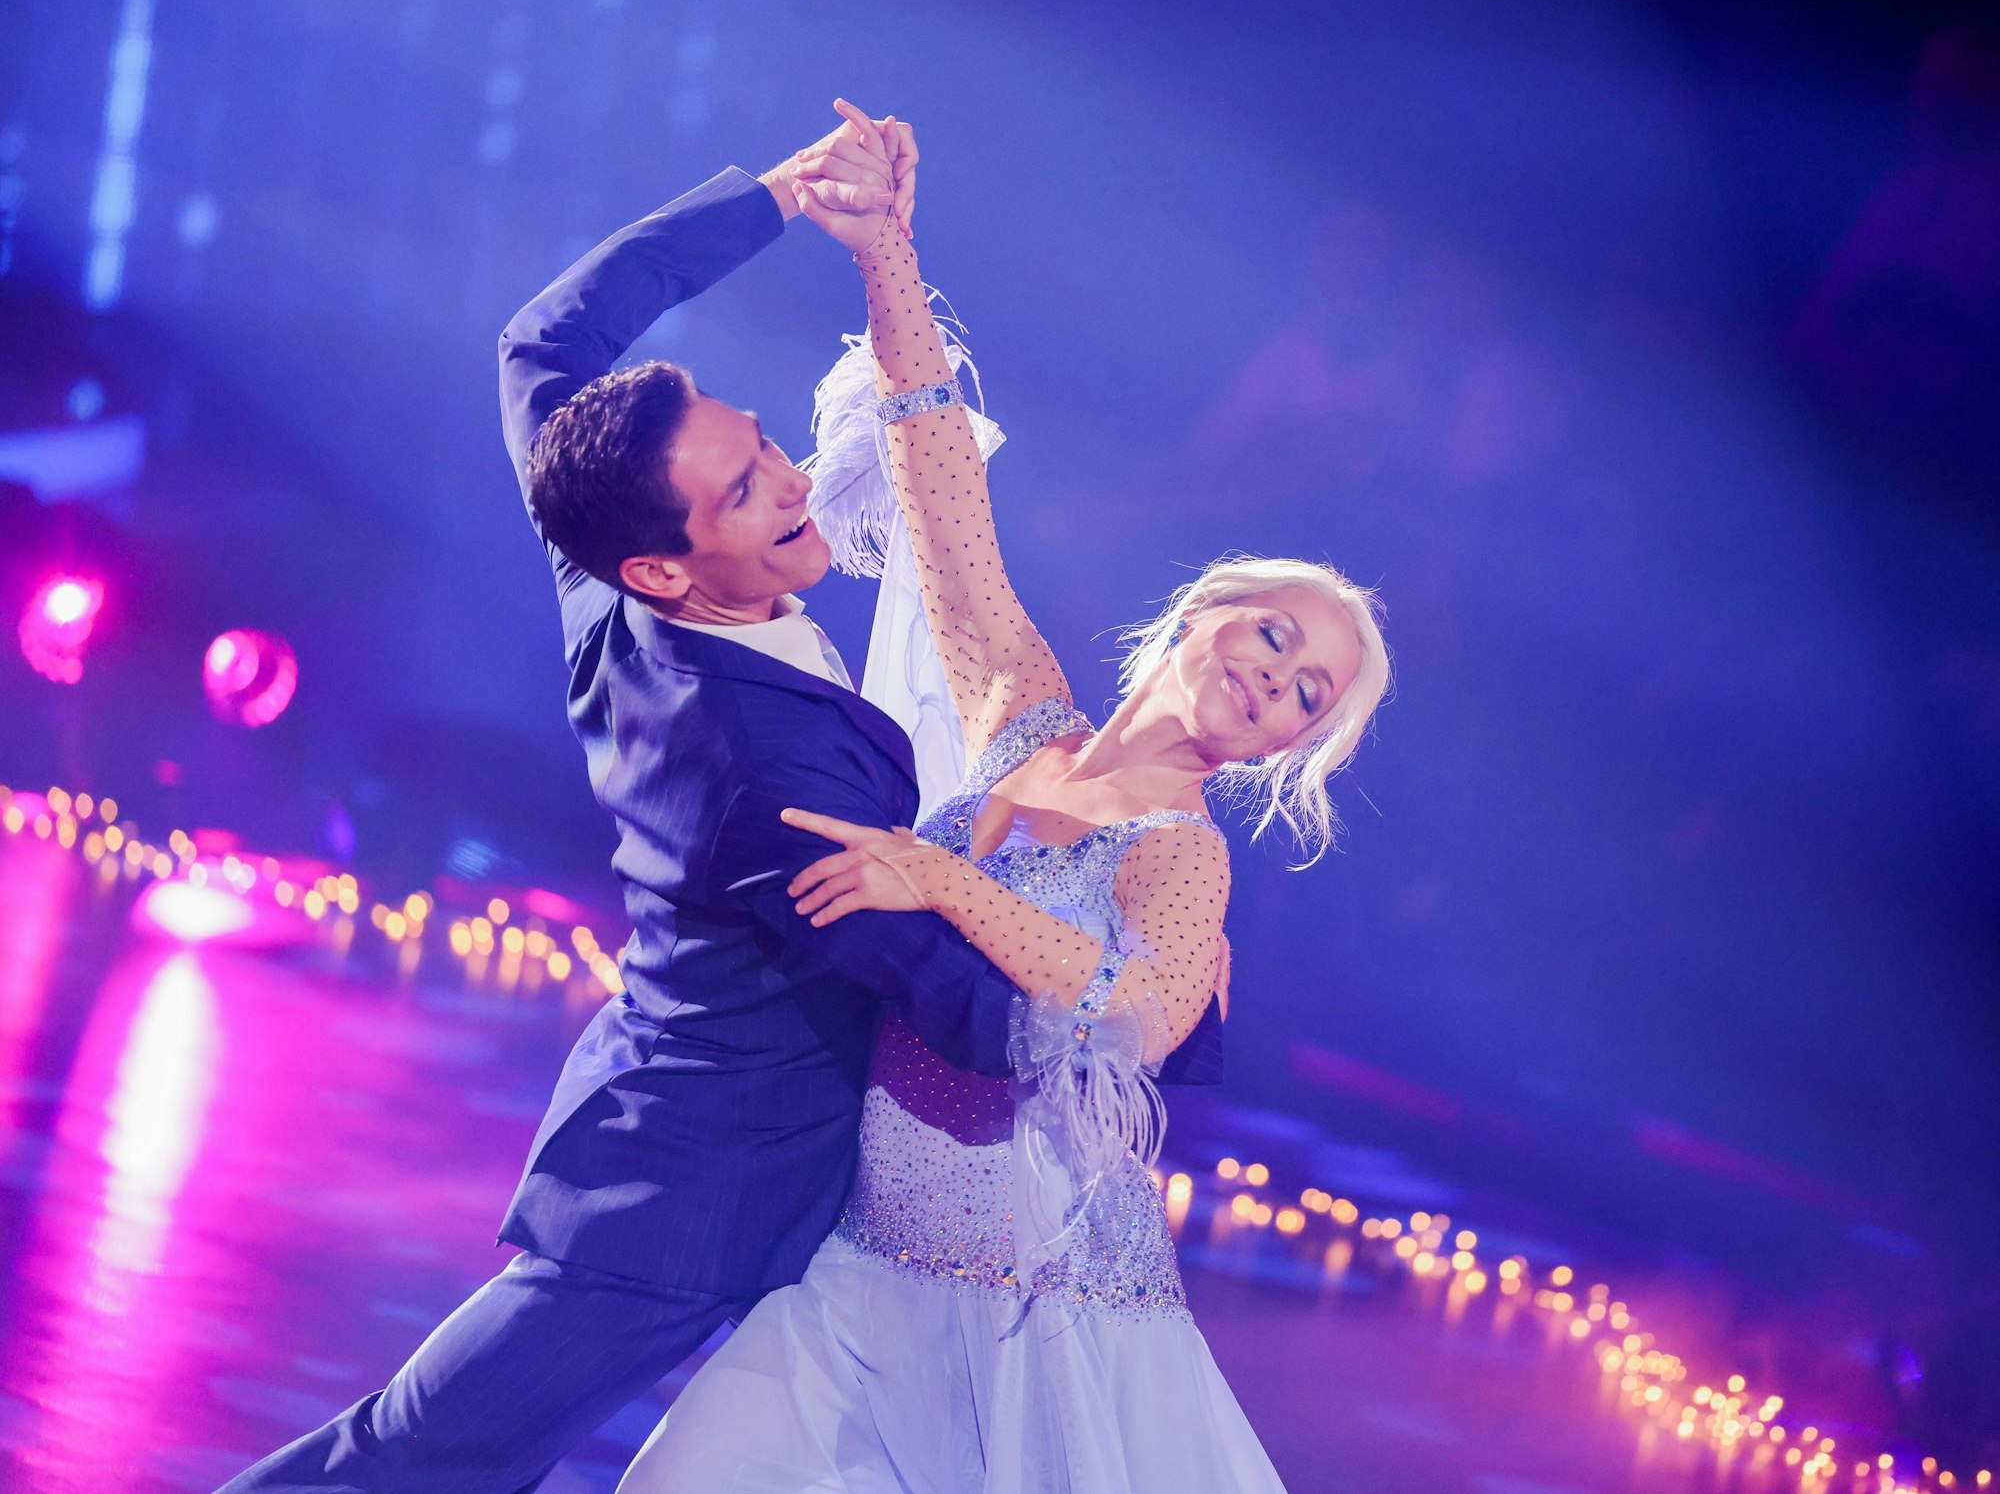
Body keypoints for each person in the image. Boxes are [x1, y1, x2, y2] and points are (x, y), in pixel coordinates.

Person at [220, 104, 1220, 1494]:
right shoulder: (764, 775)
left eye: (763, 445)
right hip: (688, 1203)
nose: (798, 481)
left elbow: (541, 345)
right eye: (750, 492)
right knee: (409, 1463)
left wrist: (780, 198)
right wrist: (1155, 998)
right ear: (666, 569)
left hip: (702, 1137)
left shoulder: (603, 553)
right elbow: (974, 1018)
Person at [619, 112, 1392, 1492]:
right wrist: (886, 252)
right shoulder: (1022, 715)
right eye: (1276, 638)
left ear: (1291, 744)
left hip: (1040, 1320)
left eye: (1308, 695)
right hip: (861, 1271)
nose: (1277, 681)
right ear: (1205, 614)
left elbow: (1133, 1020)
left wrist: (943, 879)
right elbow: (940, 491)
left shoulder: (1180, 855)